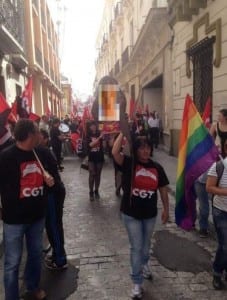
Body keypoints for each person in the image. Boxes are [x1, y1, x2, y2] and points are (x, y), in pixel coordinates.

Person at [0, 119, 55, 300]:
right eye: (38, 132)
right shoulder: (5, 157)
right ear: (30, 135)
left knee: (35, 256)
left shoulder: (40, 153)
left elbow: (51, 179)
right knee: (12, 263)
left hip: (36, 217)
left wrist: (49, 182)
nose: (41, 135)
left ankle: (32, 288)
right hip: (14, 220)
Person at [112, 134, 169, 299]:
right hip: (131, 214)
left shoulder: (157, 168)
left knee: (145, 245)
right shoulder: (130, 164)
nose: (145, 151)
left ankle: (144, 264)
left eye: (147, 147)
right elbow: (115, 152)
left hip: (150, 214)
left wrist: (166, 209)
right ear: (135, 150)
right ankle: (137, 283)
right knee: (136, 247)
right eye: (141, 148)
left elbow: (163, 188)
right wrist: (123, 132)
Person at [39, 129, 68, 270]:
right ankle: (57, 253)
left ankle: (60, 258)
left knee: (53, 225)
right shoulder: (40, 150)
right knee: (52, 225)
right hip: (51, 193)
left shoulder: (42, 151)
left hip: (53, 193)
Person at [206, 138, 227, 290]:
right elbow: (209, 187)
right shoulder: (219, 166)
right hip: (221, 211)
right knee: (225, 245)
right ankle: (217, 272)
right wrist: (225, 192)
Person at [86, 121, 104, 201]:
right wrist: (99, 138)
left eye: (94, 125)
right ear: (89, 127)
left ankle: (96, 190)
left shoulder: (100, 133)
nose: (93, 127)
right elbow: (90, 145)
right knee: (92, 174)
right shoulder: (88, 135)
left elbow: (104, 145)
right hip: (91, 157)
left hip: (99, 156)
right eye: (92, 126)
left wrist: (105, 139)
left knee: (98, 174)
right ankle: (91, 192)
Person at [194, 171, 211, 237]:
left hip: (201, 180)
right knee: (204, 205)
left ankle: (203, 229)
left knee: (203, 205)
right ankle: (203, 228)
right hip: (203, 181)